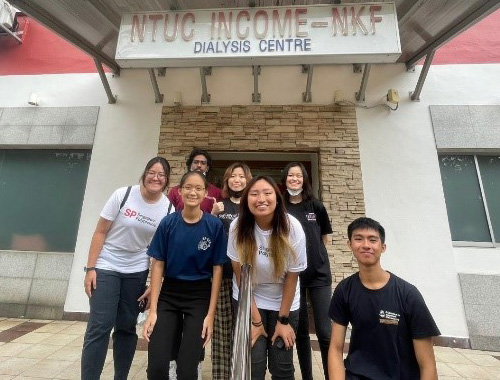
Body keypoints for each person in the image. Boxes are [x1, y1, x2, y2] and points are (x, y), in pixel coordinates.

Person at [81, 156, 173, 380]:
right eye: (152, 172)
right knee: (100, 325)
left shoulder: (168, 208)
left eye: (161, 174)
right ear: (144, 173)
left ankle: (120, 377)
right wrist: (90, 268)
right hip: (107, 265)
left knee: (126, 326)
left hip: (137, 270)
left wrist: (154, 284)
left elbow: (162, 252)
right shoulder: (123, 195)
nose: (156, 177)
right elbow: (100, 232)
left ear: (167, 180)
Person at [328, 217, 440, 380]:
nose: (366, 245)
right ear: (350, 245)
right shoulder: (344, 290)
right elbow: (336, 348)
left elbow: (427, 365)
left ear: (383, 247)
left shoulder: (408, 294)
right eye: (358, 239)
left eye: (372, 240)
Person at [144, 170, 227, 380]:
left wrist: (210, 314)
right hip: (169, 293)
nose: (193, 192)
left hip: (199, 295)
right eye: (188, 187)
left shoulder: (214, 225)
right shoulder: (168, 223)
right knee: (157, 365)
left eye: (198, 188)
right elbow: (158, 265)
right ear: (179, 191)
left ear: (206, 193)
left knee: (187, 368)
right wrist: (153, 311)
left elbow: (218, 269)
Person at [228, 176, 307, 380]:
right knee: (253, 365)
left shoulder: (293, 227)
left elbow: (292, 276)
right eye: (254, 194)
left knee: (282, 367)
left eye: (267, 193)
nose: (261, 199)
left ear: (278, 198)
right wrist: (255, 321)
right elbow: (240, 275)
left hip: (285, 301)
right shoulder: (238, 226)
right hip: (249, 298)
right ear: (246, 200)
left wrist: (283, 320)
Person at [281, 162, 333, 380]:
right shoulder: (280, 207)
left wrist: (316, 258)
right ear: (285, 180)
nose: (295, 179)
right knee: (301, 331)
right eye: (291, 176)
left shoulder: (316, 206)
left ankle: (333, 374)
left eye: (299, 176)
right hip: (294, 277)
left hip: (319, 275)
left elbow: (325, 238)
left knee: (324, 331)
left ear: (304, 179)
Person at [210, 162, 253, 380]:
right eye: (233, 176)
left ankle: (243, 374)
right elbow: (209, 237)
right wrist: (212, 214)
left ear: (248, 180)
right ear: (227, 181)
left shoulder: (252, 206)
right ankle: (222, 376)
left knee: (244, 328)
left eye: (241, 176)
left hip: (246, 277)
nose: (237, 180)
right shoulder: (220, 206)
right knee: (222, 331)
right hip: (223, 275)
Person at [168, 148, 222, 212]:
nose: (199, 165)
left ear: (207, 168)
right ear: (190, 165)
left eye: (203, 163)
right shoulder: (175, 191)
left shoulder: (216, 192)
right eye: (196, 162)